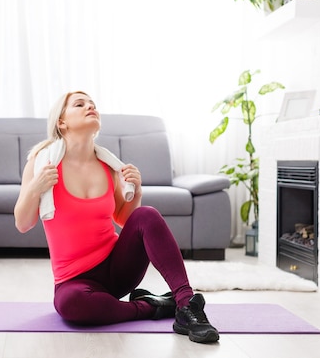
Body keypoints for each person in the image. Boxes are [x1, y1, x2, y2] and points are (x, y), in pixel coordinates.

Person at [14, 91, 219, 344]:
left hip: (117, 270)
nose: (90, 106)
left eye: (93, 104)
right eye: (80, 104)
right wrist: (35, 187)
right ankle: (152, 307)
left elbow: (126, 219)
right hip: (75, 281)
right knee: (70, 304)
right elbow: (23, 223)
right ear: (61, 122)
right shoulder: (41, 163)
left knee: (147, 215)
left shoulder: (108, 167)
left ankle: (187, 305)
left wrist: (137, 191)